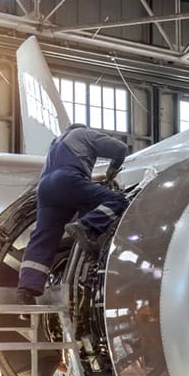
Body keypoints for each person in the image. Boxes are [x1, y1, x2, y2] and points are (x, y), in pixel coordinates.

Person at [17, 123, 129, 304]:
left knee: (44, 236)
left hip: (45, 189)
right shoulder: (83, 133)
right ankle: (86, 226)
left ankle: (27, 287)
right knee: (118, 201)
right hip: (67, 179)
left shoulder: (56, 143)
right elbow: (119, 148)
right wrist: (112, 170)